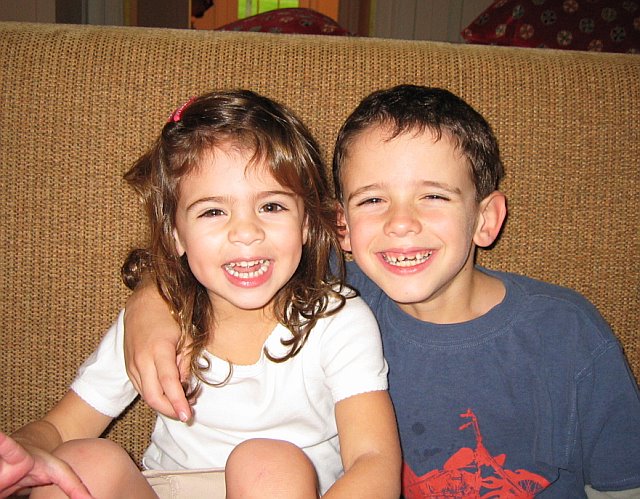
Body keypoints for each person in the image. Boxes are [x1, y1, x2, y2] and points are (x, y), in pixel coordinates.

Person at [121, 85, 640, 498]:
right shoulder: (334, 298)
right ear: (341, 227)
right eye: (372, 200)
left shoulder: (565, 333)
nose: (400, 223)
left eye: (433, 196)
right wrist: (153, 305)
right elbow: (224, 266)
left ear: (486, 218)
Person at [0, 89, 401, 499]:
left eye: (271, 207)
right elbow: (61, 428)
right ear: (176, 234)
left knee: (265, 463)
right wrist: (25, 452)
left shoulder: (336, 321)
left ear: (306, 223)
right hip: (170, 488)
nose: (245, 232)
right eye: (213, 211)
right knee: (83, 461)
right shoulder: (158, 324)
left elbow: (374, 461)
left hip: (284, 487)